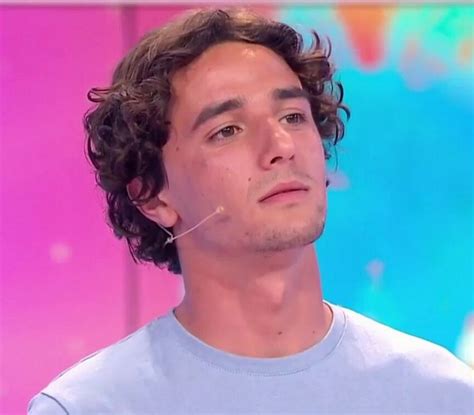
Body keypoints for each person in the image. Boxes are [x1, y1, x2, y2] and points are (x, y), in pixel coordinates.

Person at [28, 8, 473, 415]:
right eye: (227, 130)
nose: (281, 146)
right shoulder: (89, 407)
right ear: (153, 196)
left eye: (293, 117)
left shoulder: (443, 396)